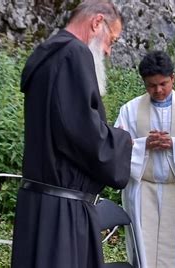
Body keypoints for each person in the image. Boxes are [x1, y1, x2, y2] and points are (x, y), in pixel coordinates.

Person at [11, 1, 133, 267]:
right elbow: (82, 135)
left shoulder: (48, 56)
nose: (109, 51)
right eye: (111, 40)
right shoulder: (73, 54)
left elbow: (63, 127)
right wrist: (121, 140)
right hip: (62, 217)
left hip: (40, 206)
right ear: (96, 22)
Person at [115, 50, 175, 268]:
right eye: (151, 85)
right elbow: (116, 147)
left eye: (163, 84)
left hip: (173, 189)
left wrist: (174, 145)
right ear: (144, 82)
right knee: (144, 253)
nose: (158, 90)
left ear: (173, 79)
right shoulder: (130, 110)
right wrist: (144, 145)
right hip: (142, 191)